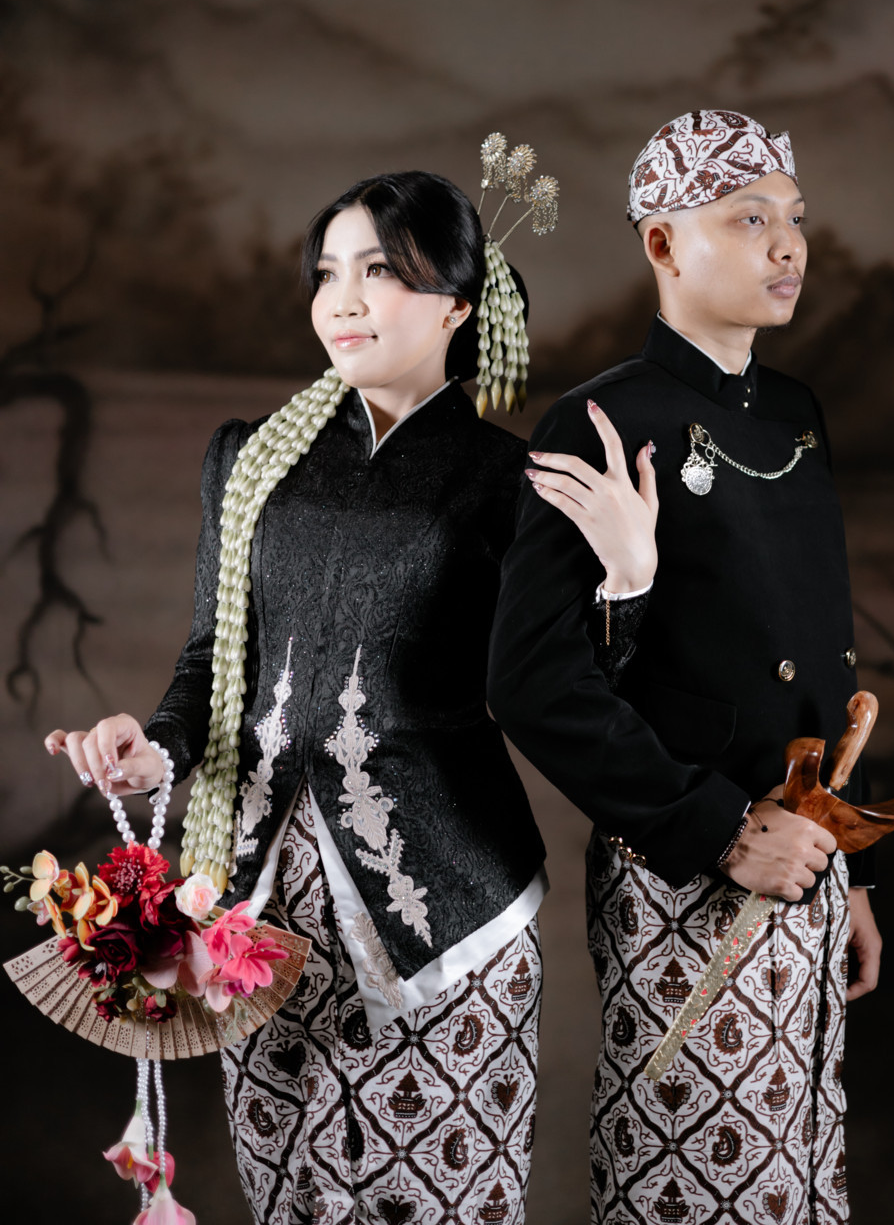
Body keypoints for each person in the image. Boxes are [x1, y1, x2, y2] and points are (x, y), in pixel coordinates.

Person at [43, 169, 657, 1225]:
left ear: (459, 304)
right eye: (327, 274)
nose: (344, 300)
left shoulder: (514, 481)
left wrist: (629, 577)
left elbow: (581, 692)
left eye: (380, 272)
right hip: (256, 921)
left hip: (450, 914)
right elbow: (212, 659)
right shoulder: (249, 460)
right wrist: (153, 747)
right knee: (289, 1199)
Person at [487, 111, 882, 1224]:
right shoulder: (600, 421)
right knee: (694, 1185)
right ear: (661, 244)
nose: (788, 245)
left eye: (793, 218)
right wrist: (718, 829)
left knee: (797, 1178)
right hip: (686, 871)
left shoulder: (795, 410)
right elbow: (533, 680)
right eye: (748, 220)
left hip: (809, 860)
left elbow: (816, 661)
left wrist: (854, 876)